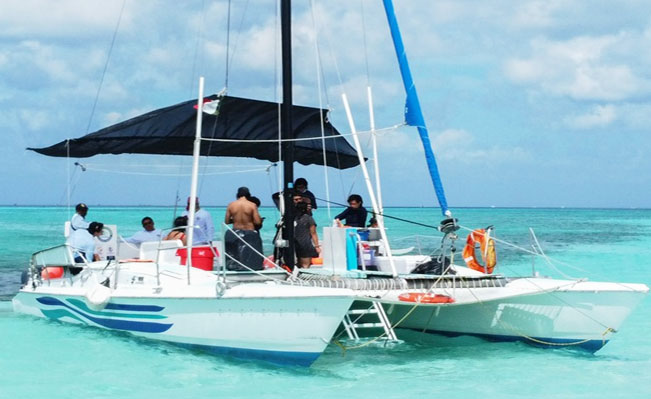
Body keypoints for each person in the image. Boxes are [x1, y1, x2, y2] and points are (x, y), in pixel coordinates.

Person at [224, 187, 264, 271]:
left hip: (236, 232)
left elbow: (227, 221)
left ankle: (235, 267)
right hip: (249, 231)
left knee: (235, 254)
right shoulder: (252, 205)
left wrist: (236, 219)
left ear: (237, 195)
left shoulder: (231, 205)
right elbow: (257, 222)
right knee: (251, 255)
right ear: (248, 195)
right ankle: (253, 268)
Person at [294, 200, 320, 268]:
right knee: (305, 266)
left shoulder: (292, 219)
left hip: (294, 244)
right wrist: (317, 246)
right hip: (305, 244)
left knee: (298, 265)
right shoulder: (309, 218)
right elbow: (313, 233)